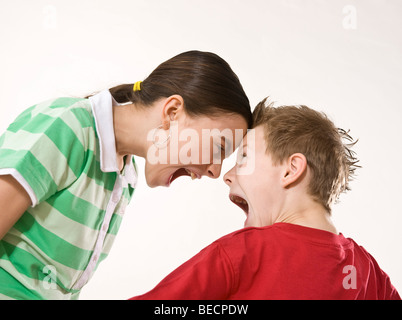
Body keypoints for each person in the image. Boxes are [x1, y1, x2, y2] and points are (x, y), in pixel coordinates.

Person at [0, 50, 252, 299]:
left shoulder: (125, 175)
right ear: (172, 112)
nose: (215, 171)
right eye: (220, 146)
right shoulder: (68, 126)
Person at [130, 98, 401, 300]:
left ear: (291, 170)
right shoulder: (366, 272)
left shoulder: (243, 254)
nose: (227, 174)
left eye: (244, 157)